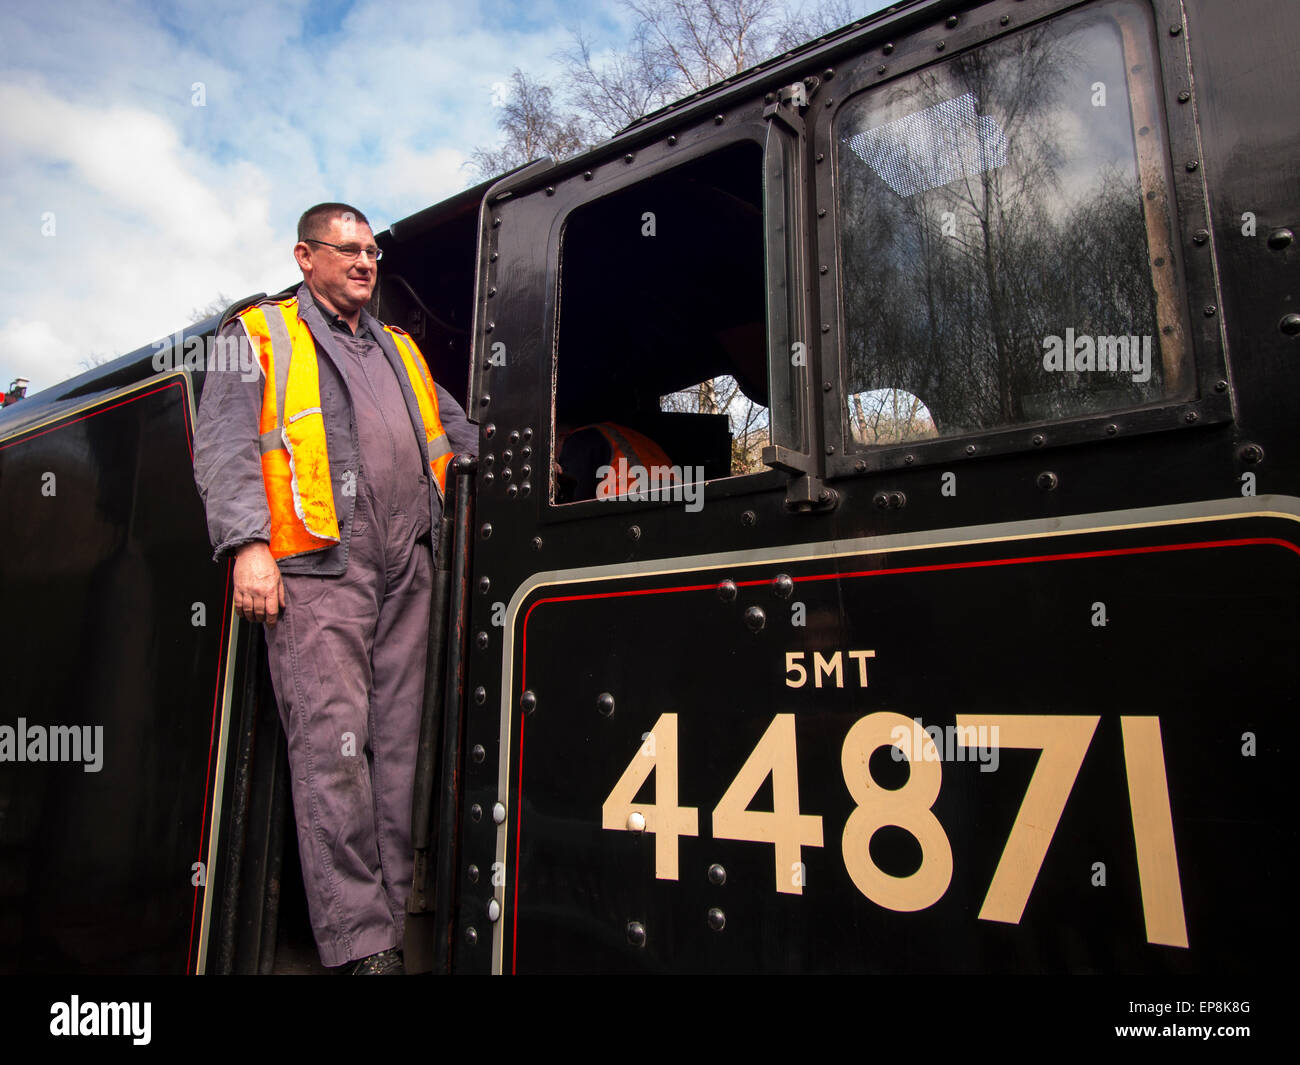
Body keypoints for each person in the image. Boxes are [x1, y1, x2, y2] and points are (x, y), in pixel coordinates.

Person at [192, 203, 477, 974]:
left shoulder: (403, 351)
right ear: (304, 256)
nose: (364, 261)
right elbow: (222, 445)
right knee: (334, 750)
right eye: (345, 249)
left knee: (397, 748)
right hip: (320, 564)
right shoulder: (255, 333)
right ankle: (362, 946)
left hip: (410, 566)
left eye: (371, 250)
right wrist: (249, 545)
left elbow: (458, 434)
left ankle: (387, 923)